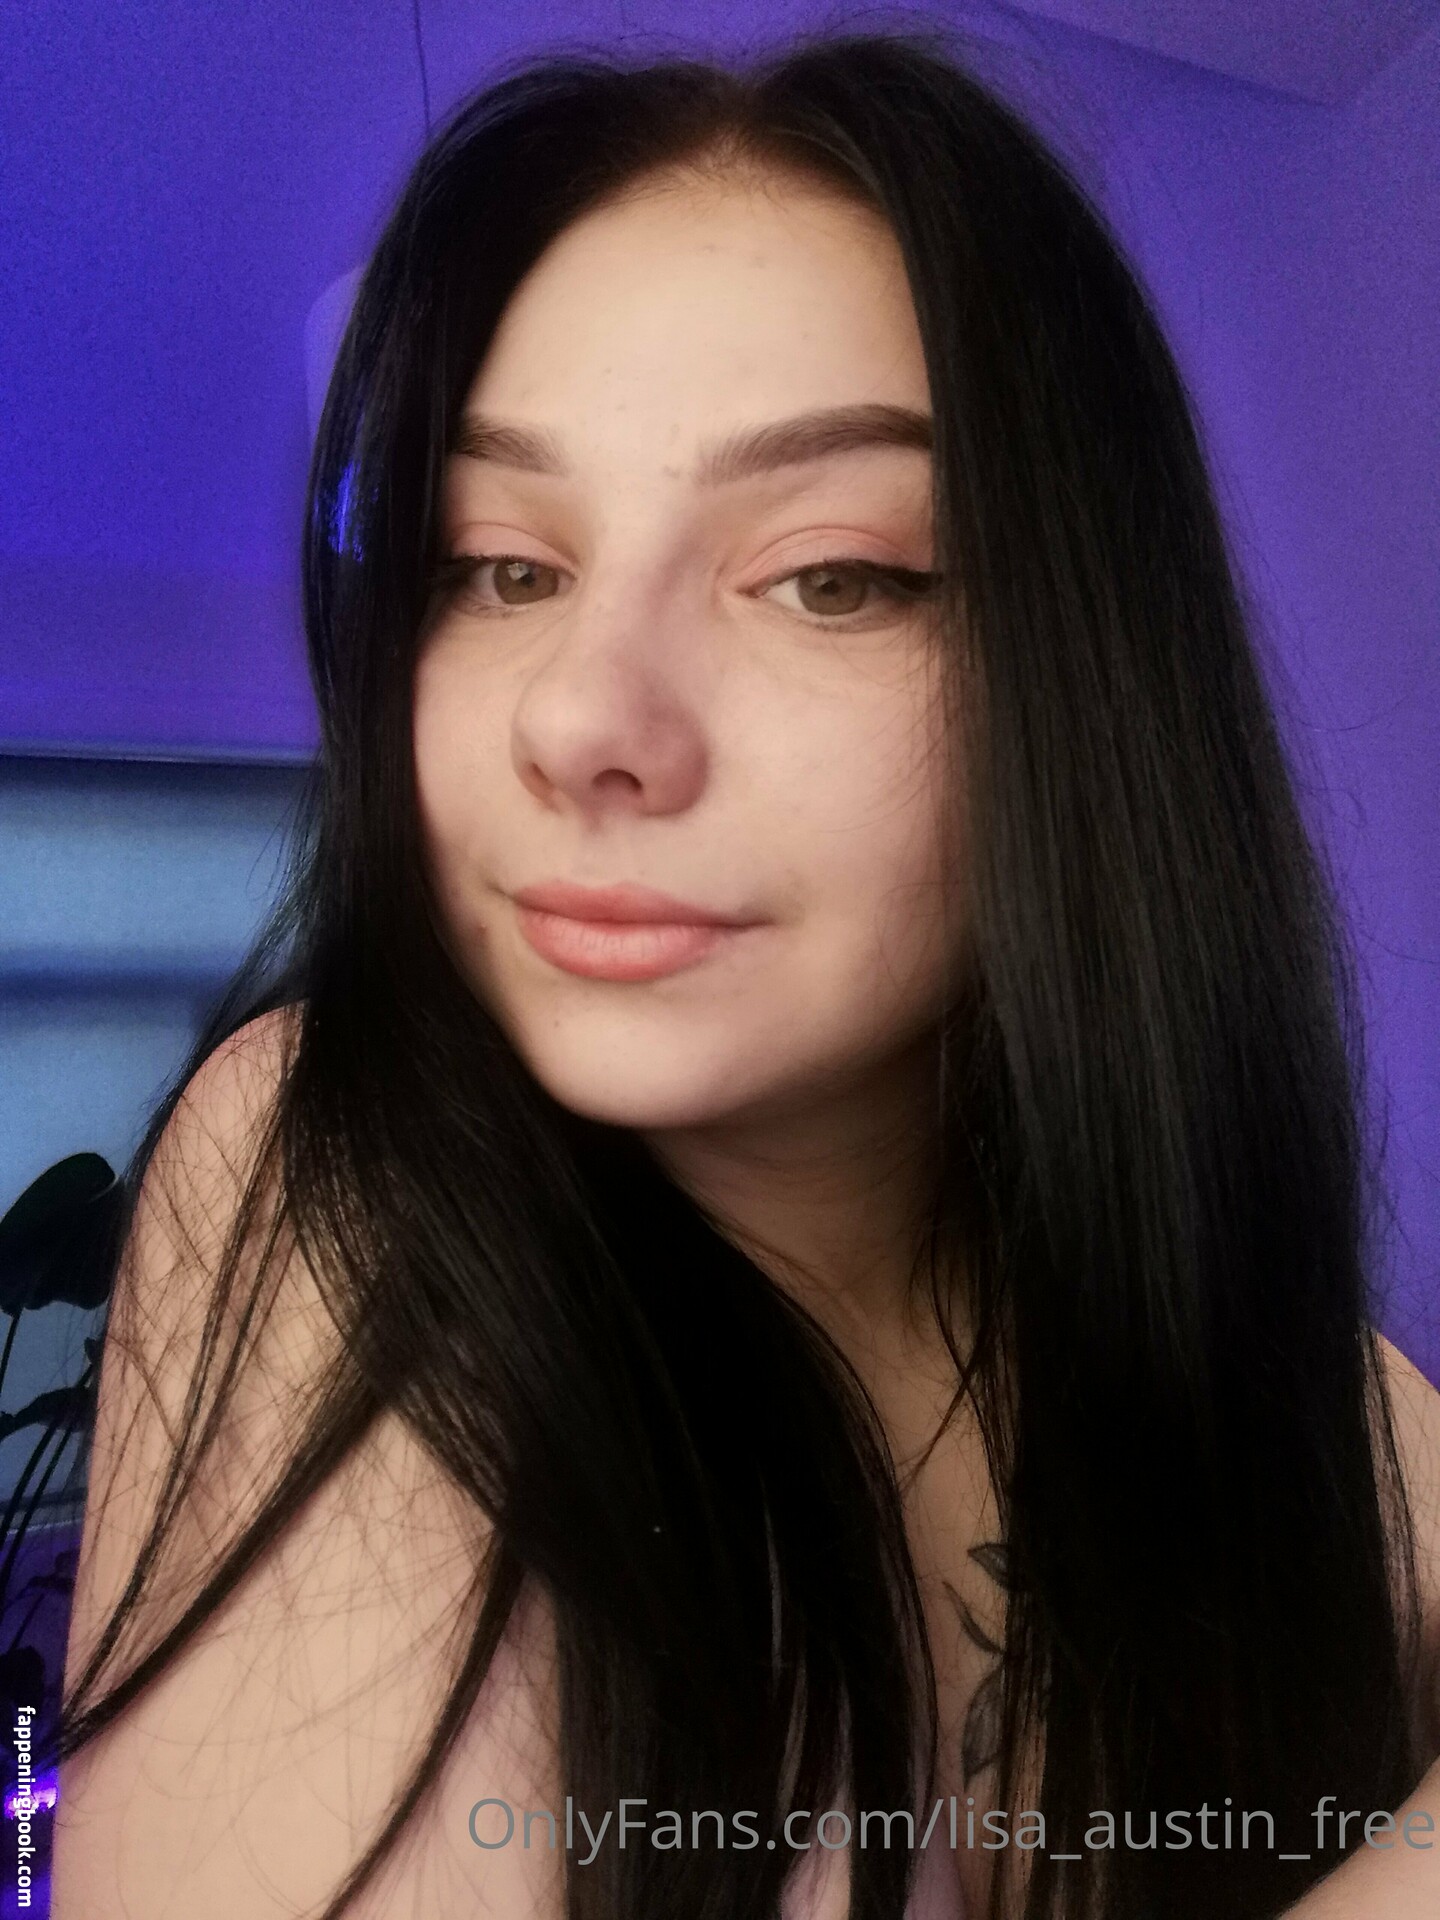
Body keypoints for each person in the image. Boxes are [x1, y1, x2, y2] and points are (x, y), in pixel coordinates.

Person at [42, 28, 1440, 1920]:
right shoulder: (336, 1171)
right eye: (498, 565)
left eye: (831, 573)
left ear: (1091, 683)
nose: (581, 720)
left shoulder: (1278, 1374)